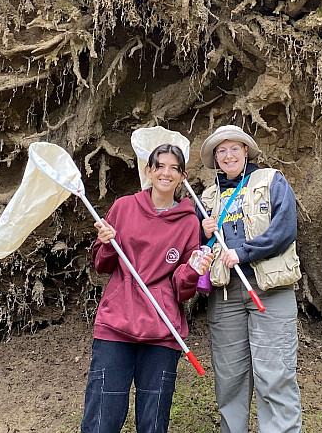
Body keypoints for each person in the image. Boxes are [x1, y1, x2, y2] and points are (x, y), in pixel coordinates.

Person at [80, 142, 213, 433]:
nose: (166, 173)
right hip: (116, 325)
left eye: (174, 169)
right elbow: (103, 265)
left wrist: (192, 271)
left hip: (163, 331)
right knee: (103, 416)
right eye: (160, 166)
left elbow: (182, 289)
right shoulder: (124, 207)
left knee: (153, 421)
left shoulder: (190, 222)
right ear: (148, 171)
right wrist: (106, 243)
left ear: (183, 177)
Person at [198, 124, 302, 433]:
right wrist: (202, 233)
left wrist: (243, 253)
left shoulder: (271, 181)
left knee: (275, 372)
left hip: (269, 288)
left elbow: (284, 229)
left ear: (246, 151)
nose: (228, 155)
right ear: (215, 158)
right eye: (221, 150)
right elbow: (195, 249)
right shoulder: (206, 197)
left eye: (234, 148)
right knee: (229, 377)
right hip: (226, 294)